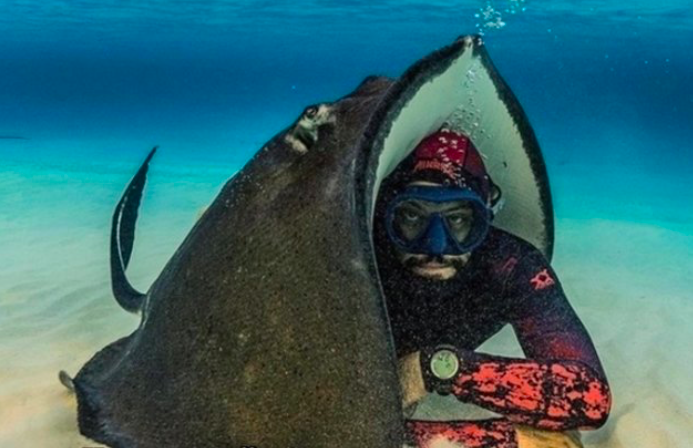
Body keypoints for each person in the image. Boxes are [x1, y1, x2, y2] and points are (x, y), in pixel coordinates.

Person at [373, 129, 612, 448]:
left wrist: (433, 368)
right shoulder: (361, 256)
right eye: (412, 216)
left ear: (485, 218)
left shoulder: (510, 266)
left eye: (458, 219)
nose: (435, 246)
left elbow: (590, 398)